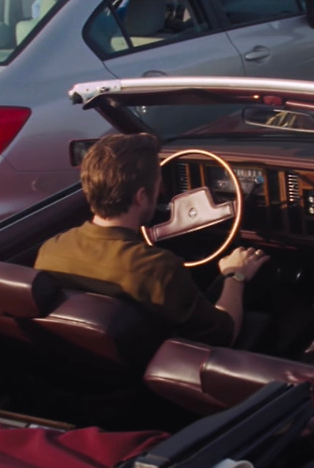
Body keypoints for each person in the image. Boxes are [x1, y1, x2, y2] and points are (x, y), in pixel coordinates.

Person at [34, 133, 268, 348]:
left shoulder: (51, 249)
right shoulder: (159, 269)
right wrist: (234, 275)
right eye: (158, 185)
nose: (160, 192)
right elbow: (224, 335)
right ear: (141, 196)